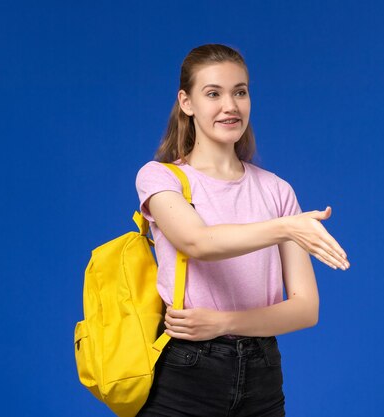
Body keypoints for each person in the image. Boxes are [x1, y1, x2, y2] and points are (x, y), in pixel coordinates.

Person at [134, 43, 349, 417]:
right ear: (187, 102)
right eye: (213, 93)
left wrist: (224, 323)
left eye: (240, 92)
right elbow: (198, 241)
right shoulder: (160, 177)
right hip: (186, 370)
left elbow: (305, 309)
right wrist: (286, 228)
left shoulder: (277, 190)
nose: (230, 106)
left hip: (262, 372)